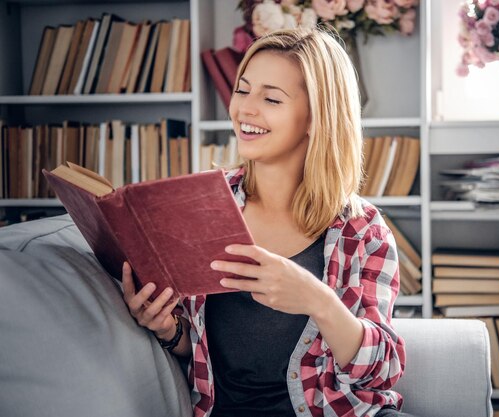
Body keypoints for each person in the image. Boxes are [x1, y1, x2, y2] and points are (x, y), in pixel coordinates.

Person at [121, 27, 413, 417]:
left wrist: (317, 300)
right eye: (243, 90)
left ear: (316, 117)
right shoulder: (200, 207)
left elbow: (382, 371)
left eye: (271, 98)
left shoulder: (362, 231)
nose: (245, 109)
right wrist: (166, 329)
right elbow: (205, 347)